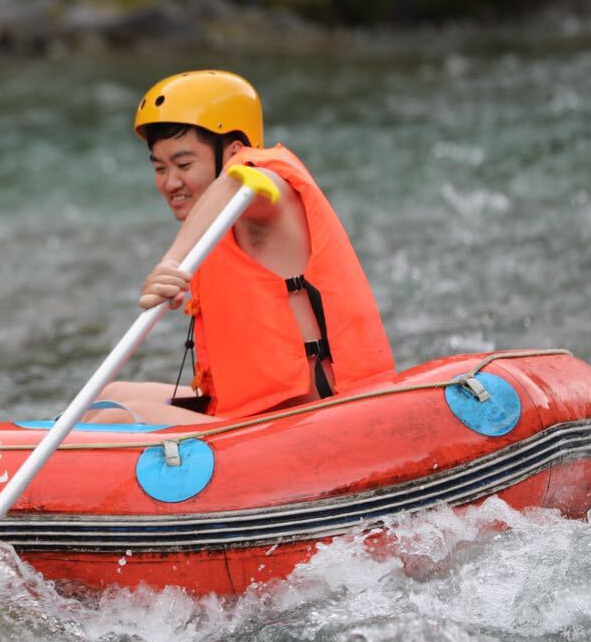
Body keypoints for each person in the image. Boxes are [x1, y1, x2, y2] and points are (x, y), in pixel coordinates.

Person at [93, 70, 394, 424]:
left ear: (234, 151)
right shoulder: (213, 221)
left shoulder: (269, 193)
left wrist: (172, 263)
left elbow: (238, 181)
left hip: (310, 417)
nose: (170, 182)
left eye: (184, 164)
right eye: (160, 168)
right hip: (248, 411)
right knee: (105, 398)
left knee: (117, 420)